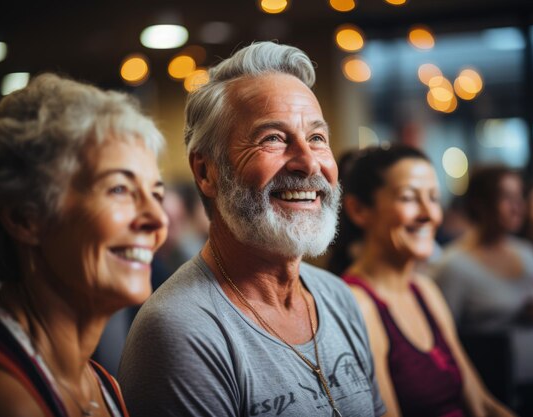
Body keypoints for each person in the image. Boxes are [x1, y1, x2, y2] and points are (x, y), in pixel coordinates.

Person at [118, 41, 386, 417]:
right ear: (205, 172)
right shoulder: (180, 330)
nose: (308, 163)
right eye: (273, 138)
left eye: (317, 138)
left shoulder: (339, 298)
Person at [0, 73, 168, 416]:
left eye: (156, 194)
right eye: (119, 189)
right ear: (24, 219)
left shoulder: (104, 384)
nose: (158, 220)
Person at [328, 145, 514, 417]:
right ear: (359, 210)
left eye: (434, 198)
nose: (430, 214)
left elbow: (480, 402)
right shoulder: (358, 303)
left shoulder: (425, 290)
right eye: (409, 198)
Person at [433, 165, 533, 417]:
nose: (517, 207)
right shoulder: (454, 264)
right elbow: (445, 340)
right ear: (479, 204)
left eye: (519, 198)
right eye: (506, 198)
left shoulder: (527, 251)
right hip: (502, 393)